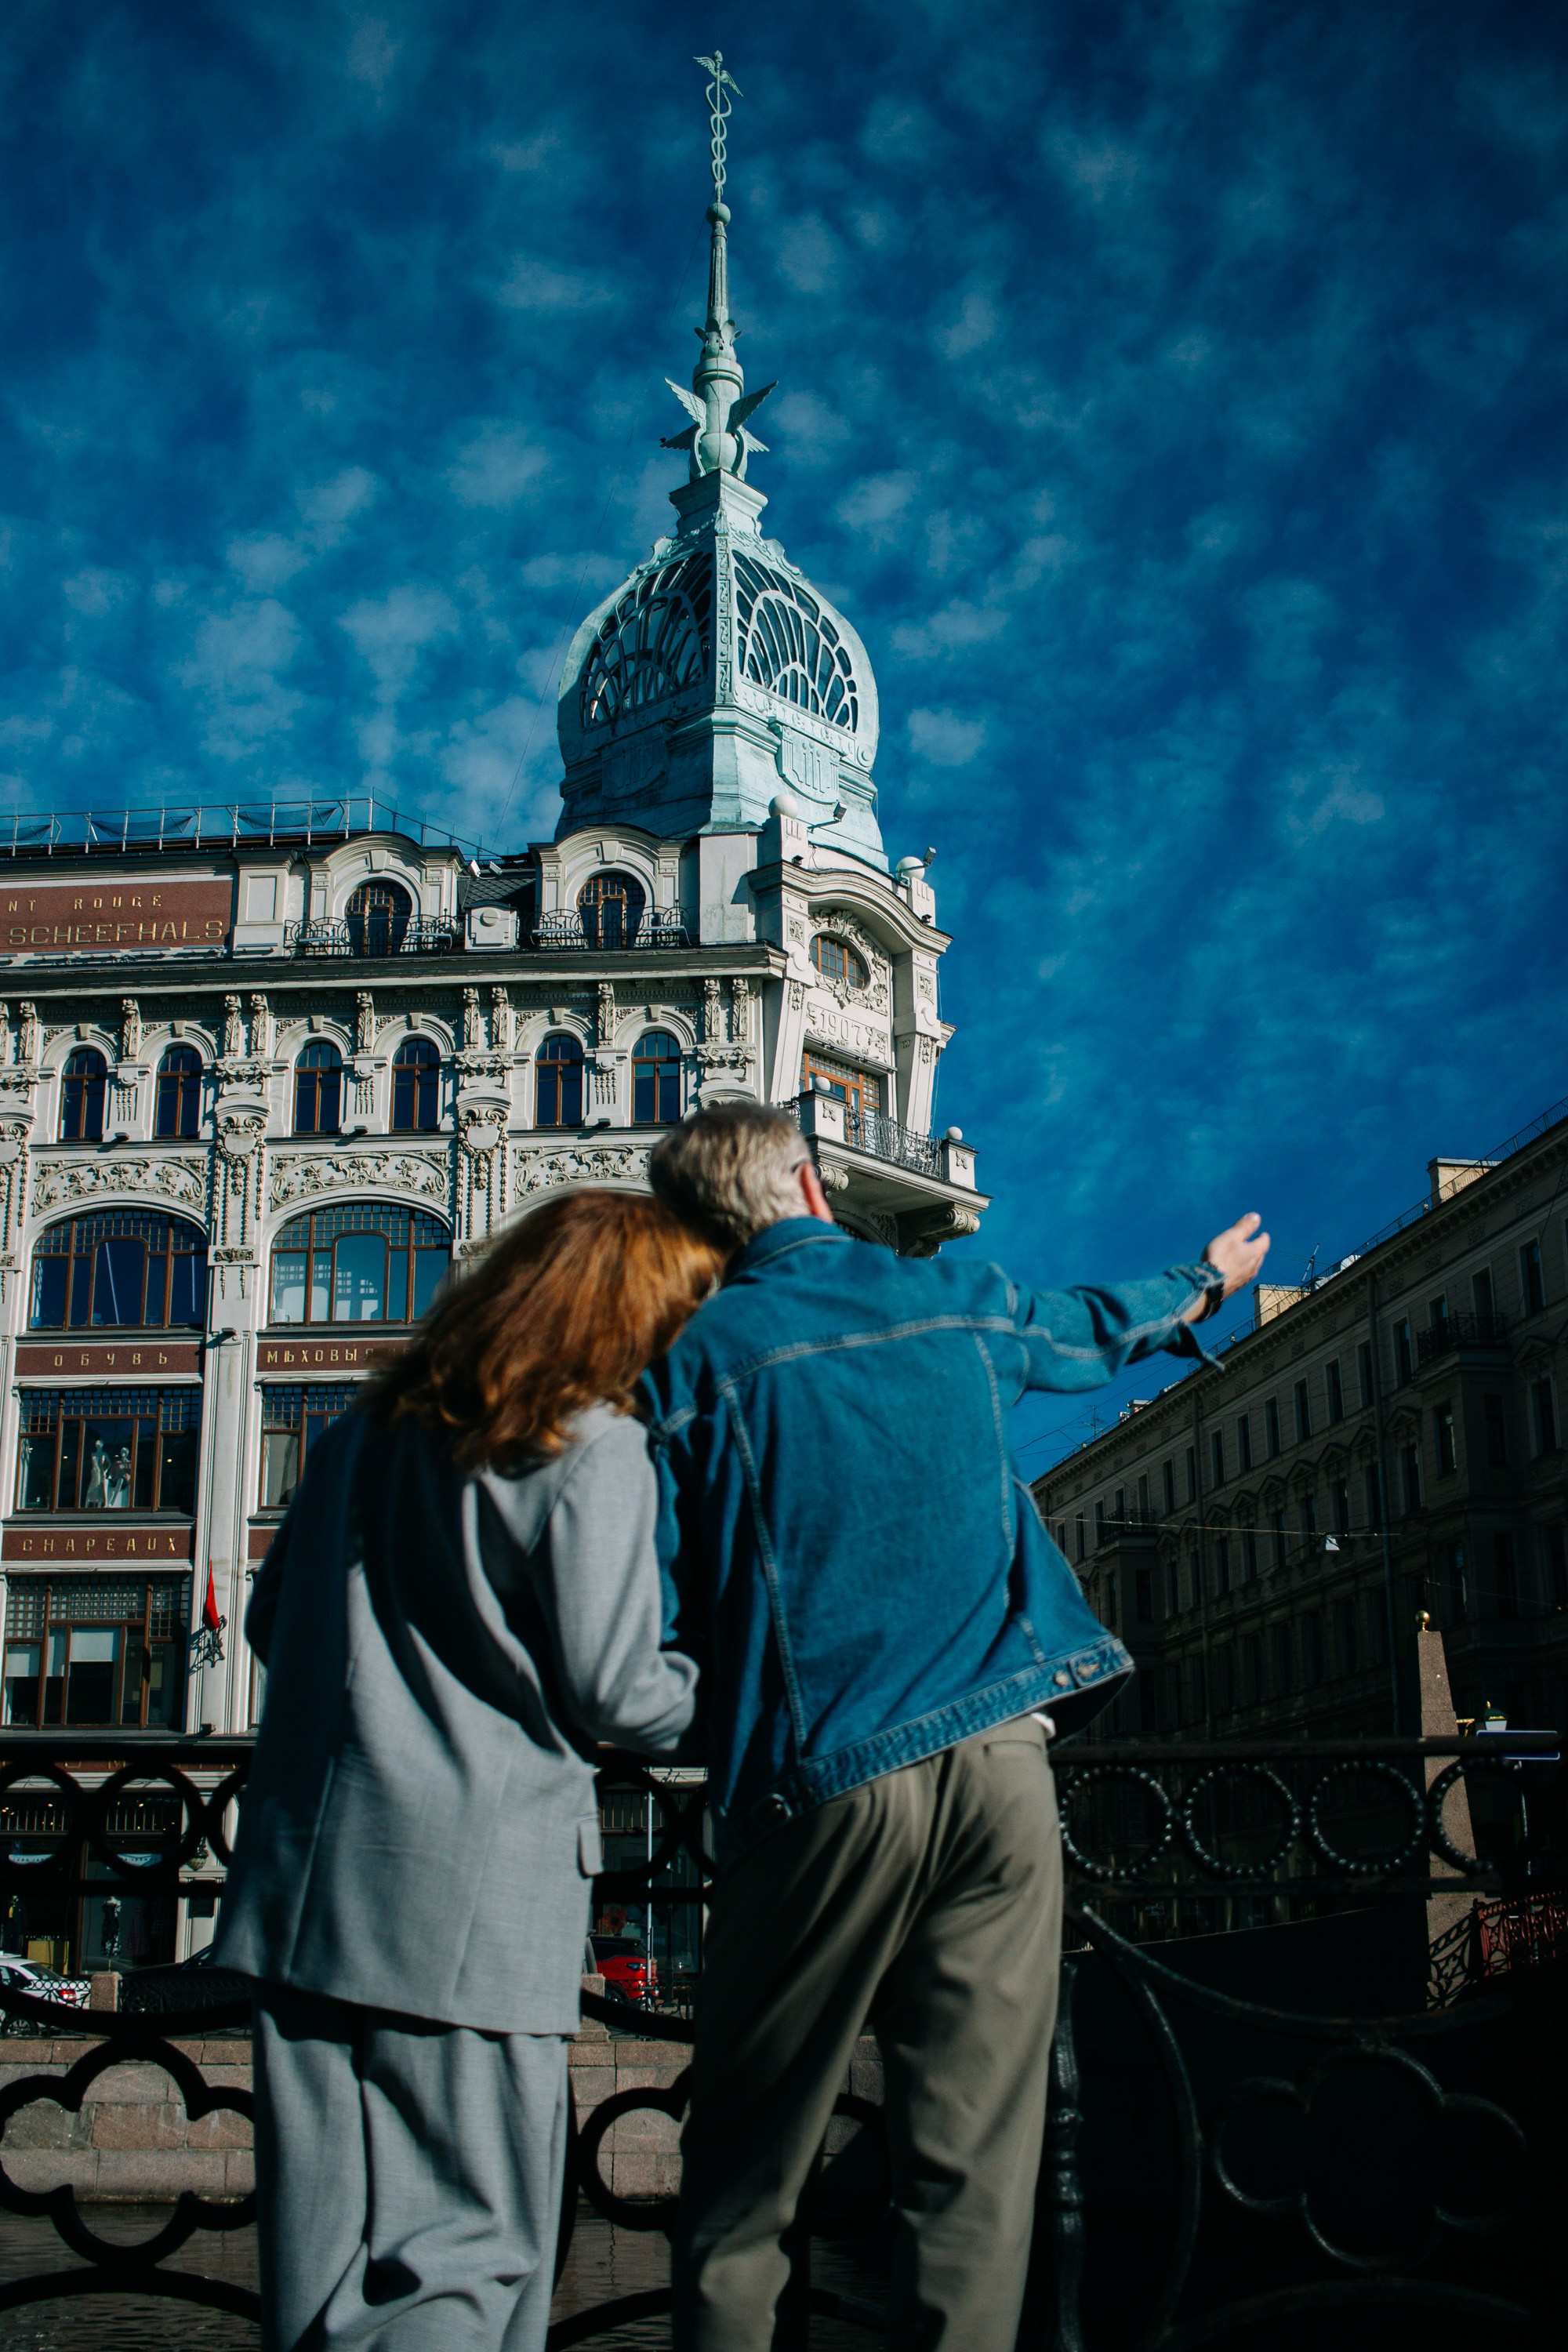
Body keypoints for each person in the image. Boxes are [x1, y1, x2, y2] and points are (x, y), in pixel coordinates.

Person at [642, 1102, 1269, 2352]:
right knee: (972, 2179)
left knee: (741, 2195)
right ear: (814, 1187)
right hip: (1001, 1769)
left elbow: (651, 1610)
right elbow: (1096, 1328)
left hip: (822, 1780)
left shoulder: (695, 1362)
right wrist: (1207, 1280)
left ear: (702, 1235)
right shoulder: (964, 1298)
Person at [216, 1191, 724, 2352]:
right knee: (468, 2254)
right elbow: (619, 1690)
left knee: (320, 2263)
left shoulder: (359, 1431)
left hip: (301, 1888)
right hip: (469, 1902)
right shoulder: (592, 1444)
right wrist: (751, 1704)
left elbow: (266, 1620)